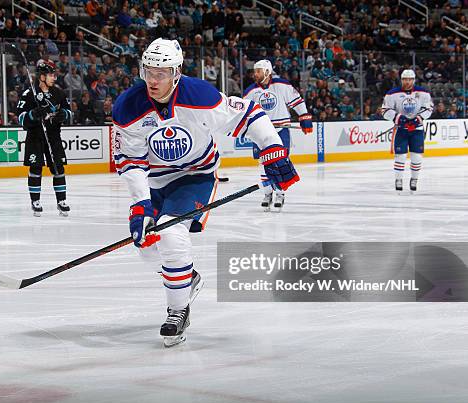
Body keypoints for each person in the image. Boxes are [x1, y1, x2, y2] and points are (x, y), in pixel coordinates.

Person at [112, 38, 299, 347]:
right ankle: (187, 277)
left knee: (172, 234)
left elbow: (250, 115)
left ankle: (178, 310)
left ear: (176, 72)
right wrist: (140, 206)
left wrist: (274, 148)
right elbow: (131, 162)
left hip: (195, 175)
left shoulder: (200, 96)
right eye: (148, 72)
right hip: (155, 179)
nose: (153, 80)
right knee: (147, 246)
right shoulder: (127, 107)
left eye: (162, 72)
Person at [242, 59, 312, 210]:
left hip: (281, 130)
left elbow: (297, 101)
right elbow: (243, 111)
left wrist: (304, 116)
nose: (255, 74)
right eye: (255, 71)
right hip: (260, 132)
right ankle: (268, 193)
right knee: (263, 164)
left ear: (267, 71)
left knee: (280, 162)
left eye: (258, 71)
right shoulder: (250, 91)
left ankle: (280, 192)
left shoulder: (282, 85)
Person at [17, 61, 72, 216]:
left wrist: (64, 114)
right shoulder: (29, 94)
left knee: (58, 168)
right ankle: (35, 201)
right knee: (35, 168)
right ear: (42, 76)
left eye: (54, 74)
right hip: (35, 137)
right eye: (50, 75)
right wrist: (33, 114)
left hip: (54, 136)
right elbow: (21, 118)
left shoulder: (59, 93)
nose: (54, 77)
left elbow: (68, 111)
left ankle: (61, 201)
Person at [381, 69, 433, 192]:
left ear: (414, 80)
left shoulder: (423, 92)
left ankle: (414, 179)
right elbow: (385, 110)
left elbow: (429, 108)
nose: (407, 82)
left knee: (417, 157)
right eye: (405, 79)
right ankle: (398, 179)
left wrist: (418, 118)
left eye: (410, 79)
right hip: (401, 130)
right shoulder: (392, 93)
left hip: (417, 130)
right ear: (401, 80)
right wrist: (398, 118)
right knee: (400, 157)